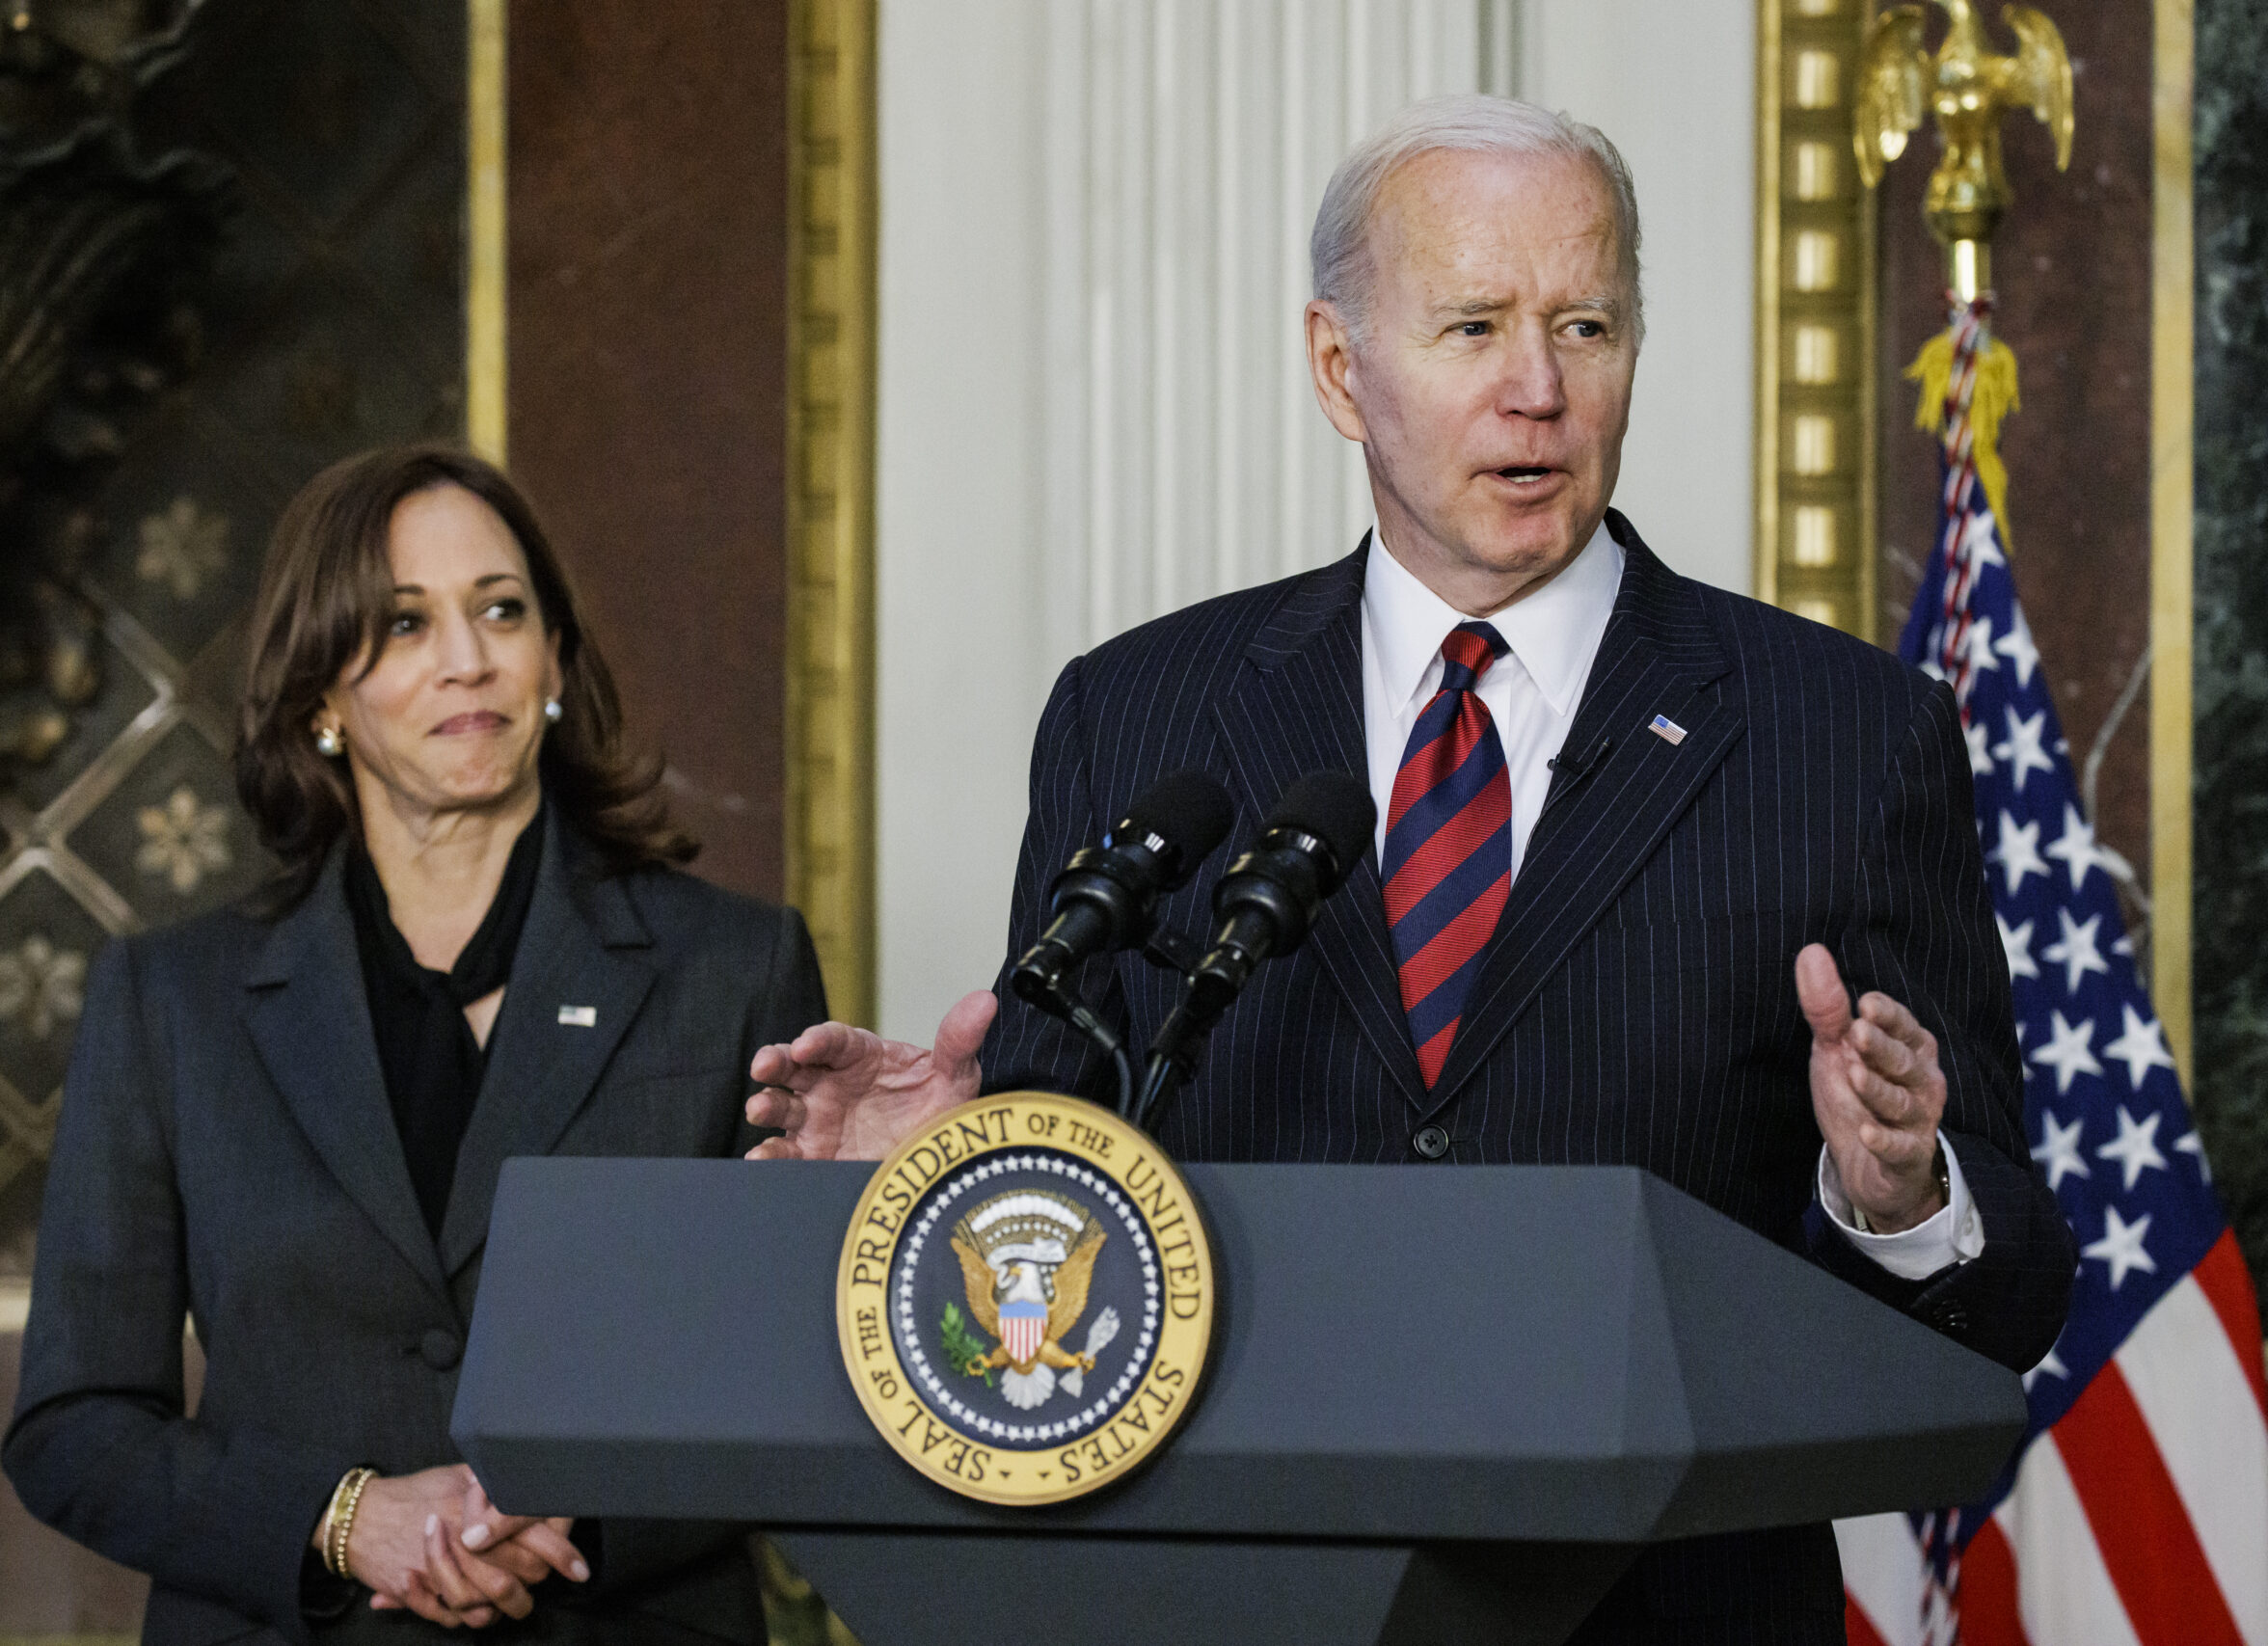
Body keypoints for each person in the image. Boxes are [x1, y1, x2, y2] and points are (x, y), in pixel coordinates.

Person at [745, 96, 2074, 1643]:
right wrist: (951, 1174)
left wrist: (1898, 1191)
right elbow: (1075, 1218)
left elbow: (2016, 1288)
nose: (1538, 391)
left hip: (1667, 1608)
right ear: (1338, 366)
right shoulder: (1142, 712)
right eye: (1471, 327)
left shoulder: (1844, 736)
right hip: (1230, 1596)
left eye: (1587, 324)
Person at [5, 445, 823, 1646]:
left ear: (553, 661)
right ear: (320, 698)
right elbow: (74, 1426)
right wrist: (343, 1521)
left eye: (502, 609)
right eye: (401, 624)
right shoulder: (171, 1002)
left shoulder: (734, 970)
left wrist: (571, 1527)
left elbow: (798, 1372)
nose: (467, 656)